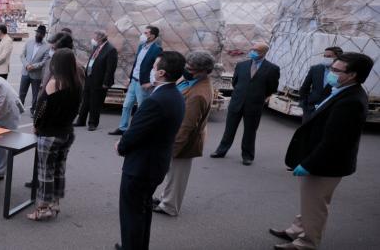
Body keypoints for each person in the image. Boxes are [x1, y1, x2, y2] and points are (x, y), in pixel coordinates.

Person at [270, 52, 374, 250]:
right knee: (310, 201)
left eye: (335, 70)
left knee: (316, 205)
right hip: (319, 158)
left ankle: (307, 243)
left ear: (352, 75)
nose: (329, 73)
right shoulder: (342, 90)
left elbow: (334, 141)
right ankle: (296, 230)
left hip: (324, 164)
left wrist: (309, 164)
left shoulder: (351, 101)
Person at [115, 51, 186, 250]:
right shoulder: (174, 94)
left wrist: (121, 145)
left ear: (162, 73)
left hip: (141, 167)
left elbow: (136, 132)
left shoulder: (157, 100)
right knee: (142, 210)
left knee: (132, 213)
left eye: (154, 67)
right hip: (155, 163)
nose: (151, 70)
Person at [152, 51, 215, 217]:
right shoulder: (190, 80)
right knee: (172, 172)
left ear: (203, 71)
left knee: (178, 174)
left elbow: (187, 126)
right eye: (186, 66)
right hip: (174, 135)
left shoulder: (198, 94)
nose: (186, 70)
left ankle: (169, 206)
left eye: (190, 68)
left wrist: (175, 147)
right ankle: (165, 198)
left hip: (184, 140)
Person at [27, 48, 83, 221]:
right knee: (59, 169)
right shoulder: (77, 82)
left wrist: (36, 125)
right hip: (66, 132)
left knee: (45, 172)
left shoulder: (55, 83)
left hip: (49, 134)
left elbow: (41, 109)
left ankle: (43, 209)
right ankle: (55, 204)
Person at [210, 42, 280, 165]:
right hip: (237, 102)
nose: (252, 52)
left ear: (264, 53)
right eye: (252, 49)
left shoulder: (272, 69)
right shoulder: (242, 65)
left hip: (254, 105)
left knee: (250, 131)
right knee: (229, 129)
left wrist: (258, 96)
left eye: (256, 50)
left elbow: (272, 87)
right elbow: (235, 82)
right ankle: (221, 150)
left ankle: (247, 156)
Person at [109, 25, 163, 136]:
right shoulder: (141, 46)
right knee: (126, 105)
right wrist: (130, 78)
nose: (143, 35)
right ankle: (122, 128)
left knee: (142, 107)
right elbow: (136, 64)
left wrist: (151, 82)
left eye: (146, 33)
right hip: (134, 80)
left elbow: (156, 68)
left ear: (152, 36)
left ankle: (139, 130)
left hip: (143, 83)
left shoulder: (157, 49)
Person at [74, 30, 118, 131]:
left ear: (101, 38)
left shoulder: (110, 50)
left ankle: (93, 123)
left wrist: (106, 82)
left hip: (100, 80)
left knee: (95, 102)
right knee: (85, 101)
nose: (93, 39)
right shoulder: (96, 47)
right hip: (90, 77)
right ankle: (81, 120)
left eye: (95, 36)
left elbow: (110, 68)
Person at [299, 46, 343, 122]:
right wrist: (305, 105)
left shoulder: (342, 73)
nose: (326, 58)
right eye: (324, 56)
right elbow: (304, 88)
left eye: (329, 56)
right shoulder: (315, 69)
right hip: (310, 108)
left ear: (338, 57)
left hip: (328, 110)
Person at [20, 25, 50, 116]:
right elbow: (22, 55)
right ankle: (19, 109)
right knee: (22, 92)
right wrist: (26, 65)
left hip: (36, 74)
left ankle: (33, 110)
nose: (38, 35)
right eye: (37, 33)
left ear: (44, 35)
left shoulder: (47, 47)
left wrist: (33, 66)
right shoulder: (29, 42)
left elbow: (44, 62)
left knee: (35, 94)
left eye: (40, 33)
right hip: (25, 72)